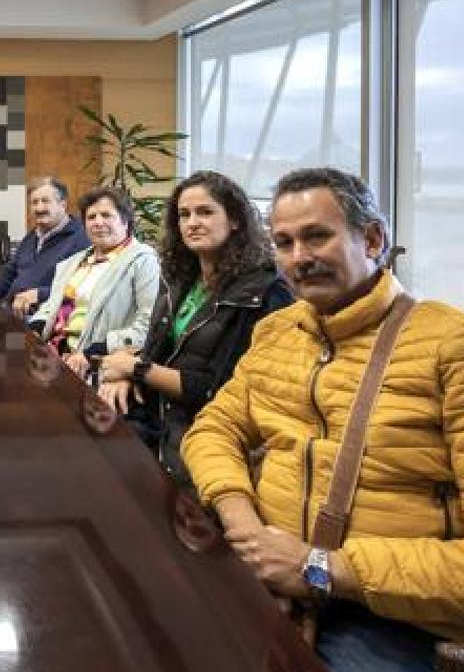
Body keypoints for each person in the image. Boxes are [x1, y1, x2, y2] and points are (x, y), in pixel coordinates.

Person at [182, 168, 464, 672]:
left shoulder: (448, 345)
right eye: (284, 242)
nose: (298, 259)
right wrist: (251, 538)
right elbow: (213, 429)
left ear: (373, 238)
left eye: (317, 236)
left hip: (384, 613)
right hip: (265, 572)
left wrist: (317, 570)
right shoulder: (278, 332)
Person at [96, 171, 293, 480]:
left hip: (207, 438)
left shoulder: (266, 290)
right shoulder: (177, 279)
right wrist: (125, 377)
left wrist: (136, 370)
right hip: (157, 421)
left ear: (236, 220)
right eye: (184, 214)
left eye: (205, 212)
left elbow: (224, 390)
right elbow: (155, 353)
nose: (192, 222)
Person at [28, 187, 158, 379]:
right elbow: (50, 306)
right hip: (52, 355)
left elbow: (149, 325)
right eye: (91, 217)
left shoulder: (143, 261)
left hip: (100, 363)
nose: (98, 222)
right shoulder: (72, 263)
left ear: (126, 221)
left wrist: (94, 352)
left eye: (106, 215)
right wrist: (35, 329)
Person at [0, 176, 90, 319]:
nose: (39, 208)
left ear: (63, 205)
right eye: (34, 203)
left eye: (46, 201)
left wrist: (40, 294)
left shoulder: (81, 238)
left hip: (44, 318)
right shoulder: (31, 237)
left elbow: (82, 288)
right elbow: (8, 274)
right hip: (12, 311)